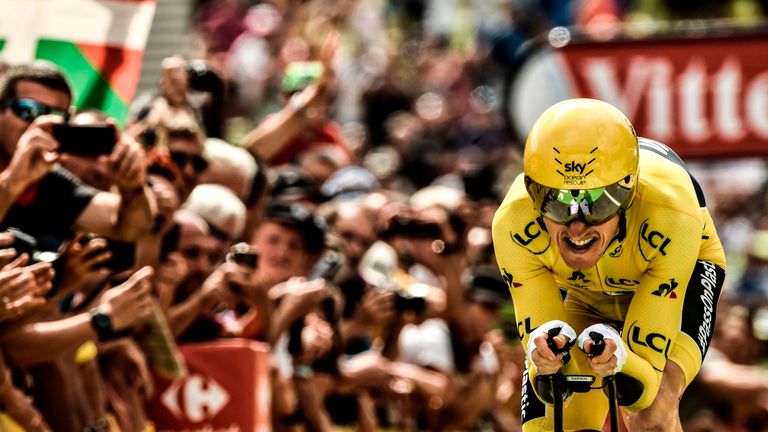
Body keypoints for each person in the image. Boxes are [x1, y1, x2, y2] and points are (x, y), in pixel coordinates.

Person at [491, 98, 726, 431]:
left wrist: (622, 360)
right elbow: (548, 376)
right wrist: (545, 360)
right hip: (587, 294)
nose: (577, 227)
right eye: (557, 202)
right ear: (533, 193)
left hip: (682, 275)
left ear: (627, 195)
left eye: (597, 203)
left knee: (652, 411)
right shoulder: (513, 221)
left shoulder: (671, 214)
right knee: (549, 418)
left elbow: (640, 388)